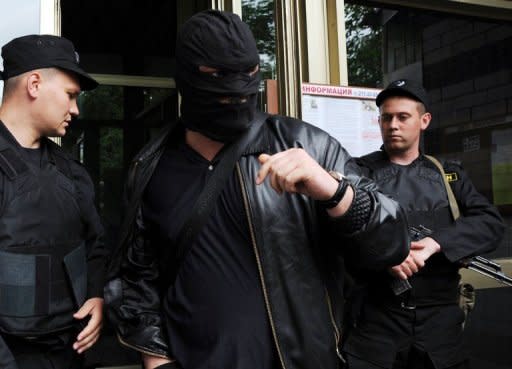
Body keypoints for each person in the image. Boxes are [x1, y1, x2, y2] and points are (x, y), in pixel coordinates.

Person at [105, 10, 409, 369]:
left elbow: (391, 244)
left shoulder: (306, 145)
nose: (235, 91)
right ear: (187, 78)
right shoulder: (152, 166)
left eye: (249, 74)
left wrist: (333, 190)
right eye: (218, 77)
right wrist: (157, 360)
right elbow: (137, 278)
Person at [341, 79, 505, 369]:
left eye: (403, 117)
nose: (393, 125)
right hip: (376, 326)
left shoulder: (447, 176)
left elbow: (489, 223)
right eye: (386, 117)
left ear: (424, 120)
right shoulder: (357, 173)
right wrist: (385, 257)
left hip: (440, 329)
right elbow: (336, 235)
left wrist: (434, 243)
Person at [0, 34, 107, 368]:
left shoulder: (72, 173)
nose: (75, 109)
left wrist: (96, 296)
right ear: (34, 84)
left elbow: (96, 247)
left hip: (69, 354)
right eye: (70, 95)